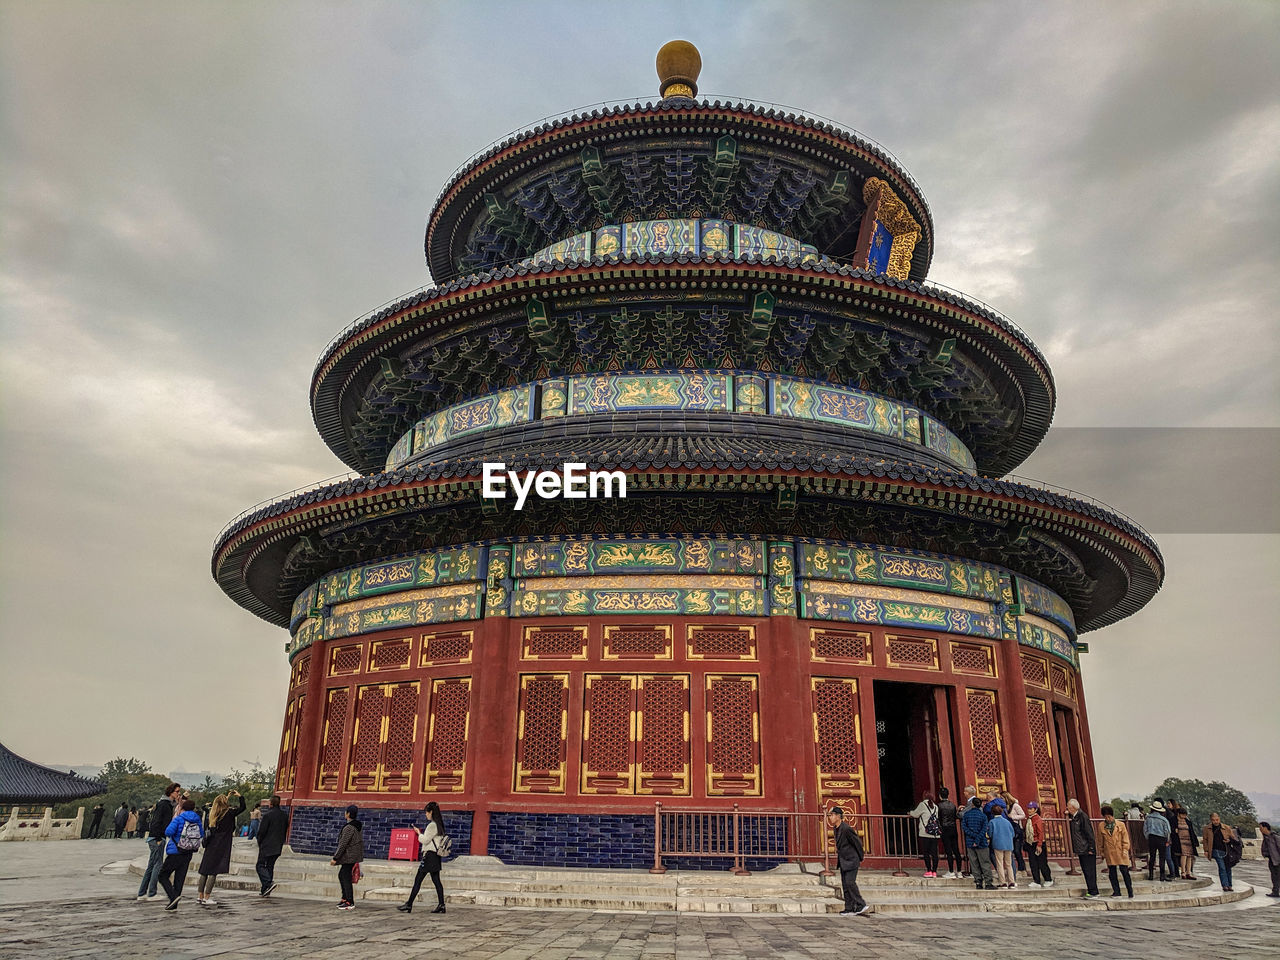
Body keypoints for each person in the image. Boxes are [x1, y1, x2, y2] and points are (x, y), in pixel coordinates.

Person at [196, 790, 246, 905]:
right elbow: (242, 807)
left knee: (204, 870)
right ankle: (207, 897)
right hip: (222, 844)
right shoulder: (229, 813)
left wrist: (226, 797)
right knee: (213, 871)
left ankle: (200, 895)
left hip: (211, 843)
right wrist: (240, 796)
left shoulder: (212, 813)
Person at [400, 800, 449, 913]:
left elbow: (425, 840)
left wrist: (418, 833)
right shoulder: (439, 824)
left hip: (429, 856)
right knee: (436, 880)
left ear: (431, 812)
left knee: (418, 880)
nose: (426, 815)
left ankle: (409, 904)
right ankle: (441, 904)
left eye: (426, 812)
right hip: (435, 856)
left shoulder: (432, 825)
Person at [159, 798, 204, 910]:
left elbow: (168, 832)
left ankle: (173, 897)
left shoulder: (179, 819)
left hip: (176, 851)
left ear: (183, 808)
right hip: (188, 852)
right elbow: (201, 833)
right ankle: (174, 903)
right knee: (179, 878)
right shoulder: (197, 820)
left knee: (163, 875)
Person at [138, 783, 181, 901]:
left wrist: (182, 799)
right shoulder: (164, 805)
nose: (178, 794)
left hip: (154, 837)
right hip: (157, 838)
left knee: (151, 866)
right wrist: (158, 838)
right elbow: (156, 822)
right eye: (177, 792)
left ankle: (142, 893)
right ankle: (151, 893)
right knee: (157, 865)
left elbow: (175, 805)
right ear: (171, 792)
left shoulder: (165, 804)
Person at [825, 806, 868, 915]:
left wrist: (860, 856)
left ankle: (860, 904)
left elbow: (857, 842)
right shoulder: (836, 828)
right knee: (845, 884)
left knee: (850, 882)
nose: (830, 817)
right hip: (843, 860)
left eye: (832, 815)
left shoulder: (846, 828)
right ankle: (849, 907)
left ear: (838, 816)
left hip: (851, 859)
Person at [330, 804, 364, 910]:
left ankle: (349, 901)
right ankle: (345, 898)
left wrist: (335, 858)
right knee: (343, 875)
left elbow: (343, 843)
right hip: (353, 855)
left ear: (348, 814)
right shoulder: (356, 826)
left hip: (350, 855)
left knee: (345, 876)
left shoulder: (349, 827)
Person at [256, 795, 290, 897]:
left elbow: (261, 832)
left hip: (267, 844)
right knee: (270, 866)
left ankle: (268, 883)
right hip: (277, 845)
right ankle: (265, 890)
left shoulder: (267, 815)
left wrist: (259, 842)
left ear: (270, 803)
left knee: (260, 865)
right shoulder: (284, 815)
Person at [1098, 805, 1133, 898]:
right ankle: (1116, 891)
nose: (1107, 818)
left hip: (1121, 850)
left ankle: (1130, 891)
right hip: (1109, 851)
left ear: (1112, 816)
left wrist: (1125, 849)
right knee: (1112, 873)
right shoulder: (1101, 826)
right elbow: (1100, 840)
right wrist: (1101, 851)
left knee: (1125, 871)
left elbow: (1125, 838)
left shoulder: (1121, 825)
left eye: (1109, 816)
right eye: (1105, 817)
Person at [1067, 799, 1099, 897]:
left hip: (1087, 849)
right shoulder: (1075, 817)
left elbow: (1089, 833)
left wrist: (1091, 848)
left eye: (1068, 806)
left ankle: (1094, 891)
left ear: (1072, 808)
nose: (1067, 808)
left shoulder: (1082, 817)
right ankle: (1091, 890)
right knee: (1086, 870)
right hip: (1082, 849)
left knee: (1090, 871)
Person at [961, 796, 995, 890]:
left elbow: (964, 827)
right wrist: (977, 839)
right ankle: (988, 883)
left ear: (972, 804)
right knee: (985, 863)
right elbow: (984, 829)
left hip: (970, 842)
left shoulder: (967, 815)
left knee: (974, 863)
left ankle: (978, 882)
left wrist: (973, 837)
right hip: (981, 842)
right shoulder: (983, 816)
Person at [1201, 812, 1237, 892]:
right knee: (1222, 867)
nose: (1215, 821)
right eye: (1213, 820)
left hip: (1226, 850)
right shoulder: (1207, 829)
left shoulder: (1226, 828)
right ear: (1211, 820)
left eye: (1217, 820)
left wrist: (1229, 840)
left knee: (1228, 868)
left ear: (1219, 819)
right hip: (1215, 850)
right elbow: (1205, 840)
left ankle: (1229, 885)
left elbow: (1233, 839)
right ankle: (1225, 885)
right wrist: (1206, 850)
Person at [908, 792, 941, 878]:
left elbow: (915, 814)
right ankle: (934, 871)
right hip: (934, 833)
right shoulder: (936, 807)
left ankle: (929, 870)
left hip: (925, 832)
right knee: (934, 853)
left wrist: (910, 812)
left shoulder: (922, 805)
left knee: (926, 852)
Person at [1024, 800, 1053, 888]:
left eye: (1031, 809)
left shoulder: (1038, 819)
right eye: (1028, 808)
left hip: (1038, 843)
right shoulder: (1029, 819)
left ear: (1035, 809)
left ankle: (1048, 879)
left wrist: (1039, 845)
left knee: (1042, 863)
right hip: (1031, 843)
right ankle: (1036, 881)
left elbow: (1041, 833)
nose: (1029, 810)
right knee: (1033, 863)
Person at [989, 801, 1016, 888]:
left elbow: (990, 834)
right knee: (1009, 864)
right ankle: (1011, 881)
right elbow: (1013, 833)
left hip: (998, 844)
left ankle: (1002, 882)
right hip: (1008, 844)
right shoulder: (1007, 822)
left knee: (999, 863)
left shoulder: (992, 822)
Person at [1143, 800, 1172, 881]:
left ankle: (1151, 875)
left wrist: (1147, 837)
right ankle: (1162, 876)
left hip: (1151, 838)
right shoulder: (1163, 820)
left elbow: (1145, 829)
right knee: (1162, 857)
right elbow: (1167, 831)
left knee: (1152, 857)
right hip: (1161, 838)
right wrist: (1167, 840)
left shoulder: (1148, 818)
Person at [936, 787, 961, 878]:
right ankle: (959, 871)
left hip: (945, 829)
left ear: (940, 796)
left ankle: (951, 871)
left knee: (948, 851)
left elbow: (938, 818)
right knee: (956, 850)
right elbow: (955, 816)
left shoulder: (939, 806)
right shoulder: (953, 805)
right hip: (953, 828)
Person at [1002, 791, 1027, 879]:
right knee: (1011, 850)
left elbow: (1023, 815)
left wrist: (1013, 817)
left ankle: (1022, 869)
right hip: (1010, 830)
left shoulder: (1015, 806)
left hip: (1017, 830)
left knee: (1017, 850)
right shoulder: (1005, 807)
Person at [1170, 806, 1198, 879]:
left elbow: (1191, 831)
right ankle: (1183, 872)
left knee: (1189, 856)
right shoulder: (1173, 820)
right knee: (1183, 855)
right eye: (1183, 815)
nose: (1184, 816)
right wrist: (1174, 831)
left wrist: (1195, 841)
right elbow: (1171, 830)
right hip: (1180, 840)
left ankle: (1188, 872)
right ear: (1179, 814)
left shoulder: (1187, 821)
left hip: (1188, 840)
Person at [1259, 822, 1280, 898]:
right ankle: (1275, 891)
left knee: (1277, 876)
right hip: (1271, 859)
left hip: (1277, 860)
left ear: (1265, 828)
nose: (1260, 830)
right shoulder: (1266, 837)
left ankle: (1276, 891)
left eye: (1261, 828)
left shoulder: (1274, 836)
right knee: (1274, 876)